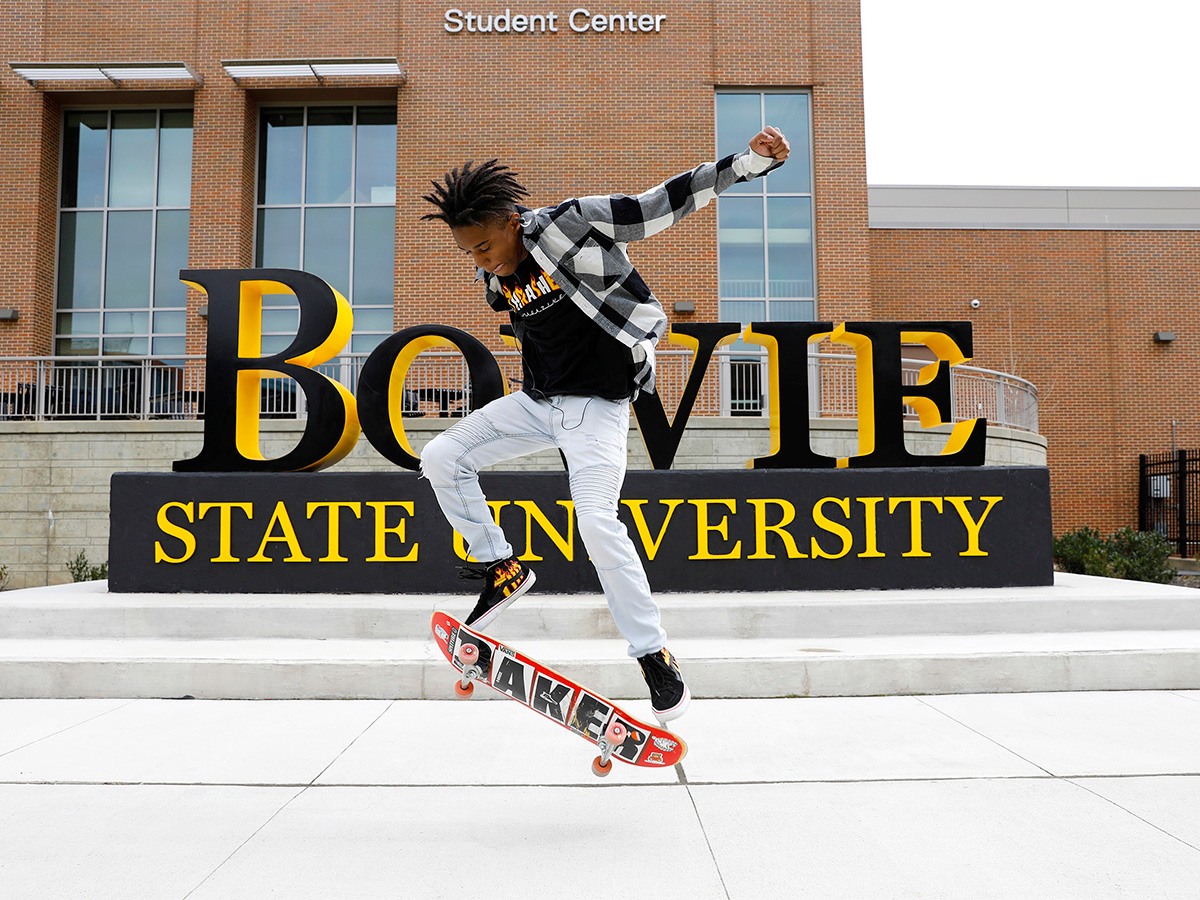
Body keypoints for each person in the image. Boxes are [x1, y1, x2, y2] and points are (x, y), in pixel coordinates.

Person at [419, 127, 790, 723]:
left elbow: (659, 204)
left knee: (595, 519)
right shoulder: (496, 279)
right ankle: (500, 565)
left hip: (597, 408)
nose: (482, 261)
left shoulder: (570, 224)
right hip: (539, 404)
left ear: (512, 219)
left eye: (485, 247)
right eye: (469, 253)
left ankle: (654, 656)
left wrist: (748, 164)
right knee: (441, 456)